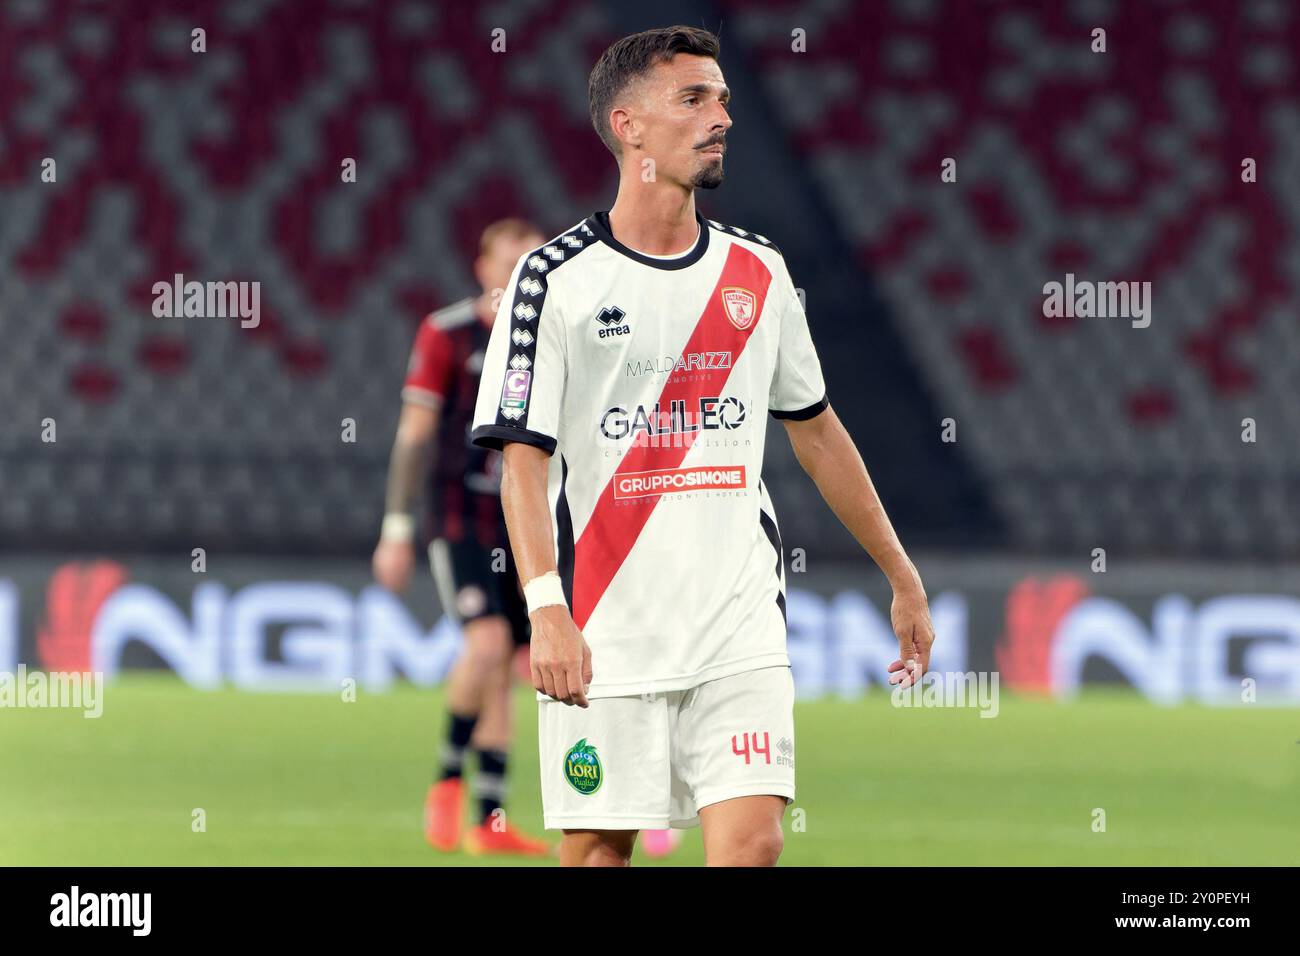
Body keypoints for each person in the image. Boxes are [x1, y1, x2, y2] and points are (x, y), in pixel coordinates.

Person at [469, 26, 936, 866]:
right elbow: (523, 463)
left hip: (738, 626)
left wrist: (900, 574)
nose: (721, 115)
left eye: (722, 97)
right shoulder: (551, 281)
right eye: (693, 98)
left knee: (752, 848)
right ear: (629, 125)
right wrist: (546, 611)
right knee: (599, 854)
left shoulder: (758, 272)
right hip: (605, 626)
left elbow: (819, 430)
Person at [374, 218, 550, 857]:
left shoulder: (549, 338)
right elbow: (415, 435)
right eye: (507, 264)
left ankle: (491, 821)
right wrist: (396, 530)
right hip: (459, 517)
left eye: (528, 266)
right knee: (488, 641)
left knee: (508, 663)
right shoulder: (447, 334)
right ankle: (447, 780)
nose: (515, 276)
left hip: (522, 519)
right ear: (482, 269)